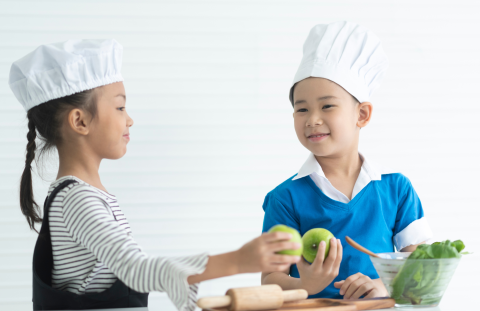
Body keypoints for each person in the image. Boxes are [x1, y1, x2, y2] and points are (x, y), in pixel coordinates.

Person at [9, 39, 301, 311]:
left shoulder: (85, 196)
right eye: (120, 106)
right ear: (80, 120)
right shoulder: (77, 201)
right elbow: (137, 270)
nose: (130, 119)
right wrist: (238, 260)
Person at [260, 21, 433, 300]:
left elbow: (424, 264)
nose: (312, 119)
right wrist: (307, 283)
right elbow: (270, 279)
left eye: (327, 105)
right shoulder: (285, 198)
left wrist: (384, 285)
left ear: (362, 115)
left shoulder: (396, 189)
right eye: (301, 109)